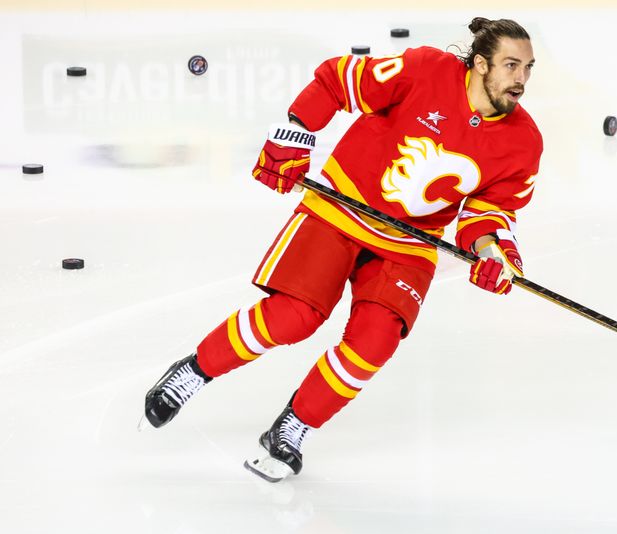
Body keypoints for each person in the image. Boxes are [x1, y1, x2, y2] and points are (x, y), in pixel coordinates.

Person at [143, 17, 543, 482]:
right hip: (343, 207)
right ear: (479, 64)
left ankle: (293, 428)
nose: (520, 79)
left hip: (409, 243)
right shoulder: (425, 70)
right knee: (293, 316)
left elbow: (488, 212)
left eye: (528, 68)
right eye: (511, 65)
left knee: (375, 340)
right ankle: (195, 371)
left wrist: (491, 253)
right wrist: (294, 132)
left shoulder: (523, 141)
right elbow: (338, 80)